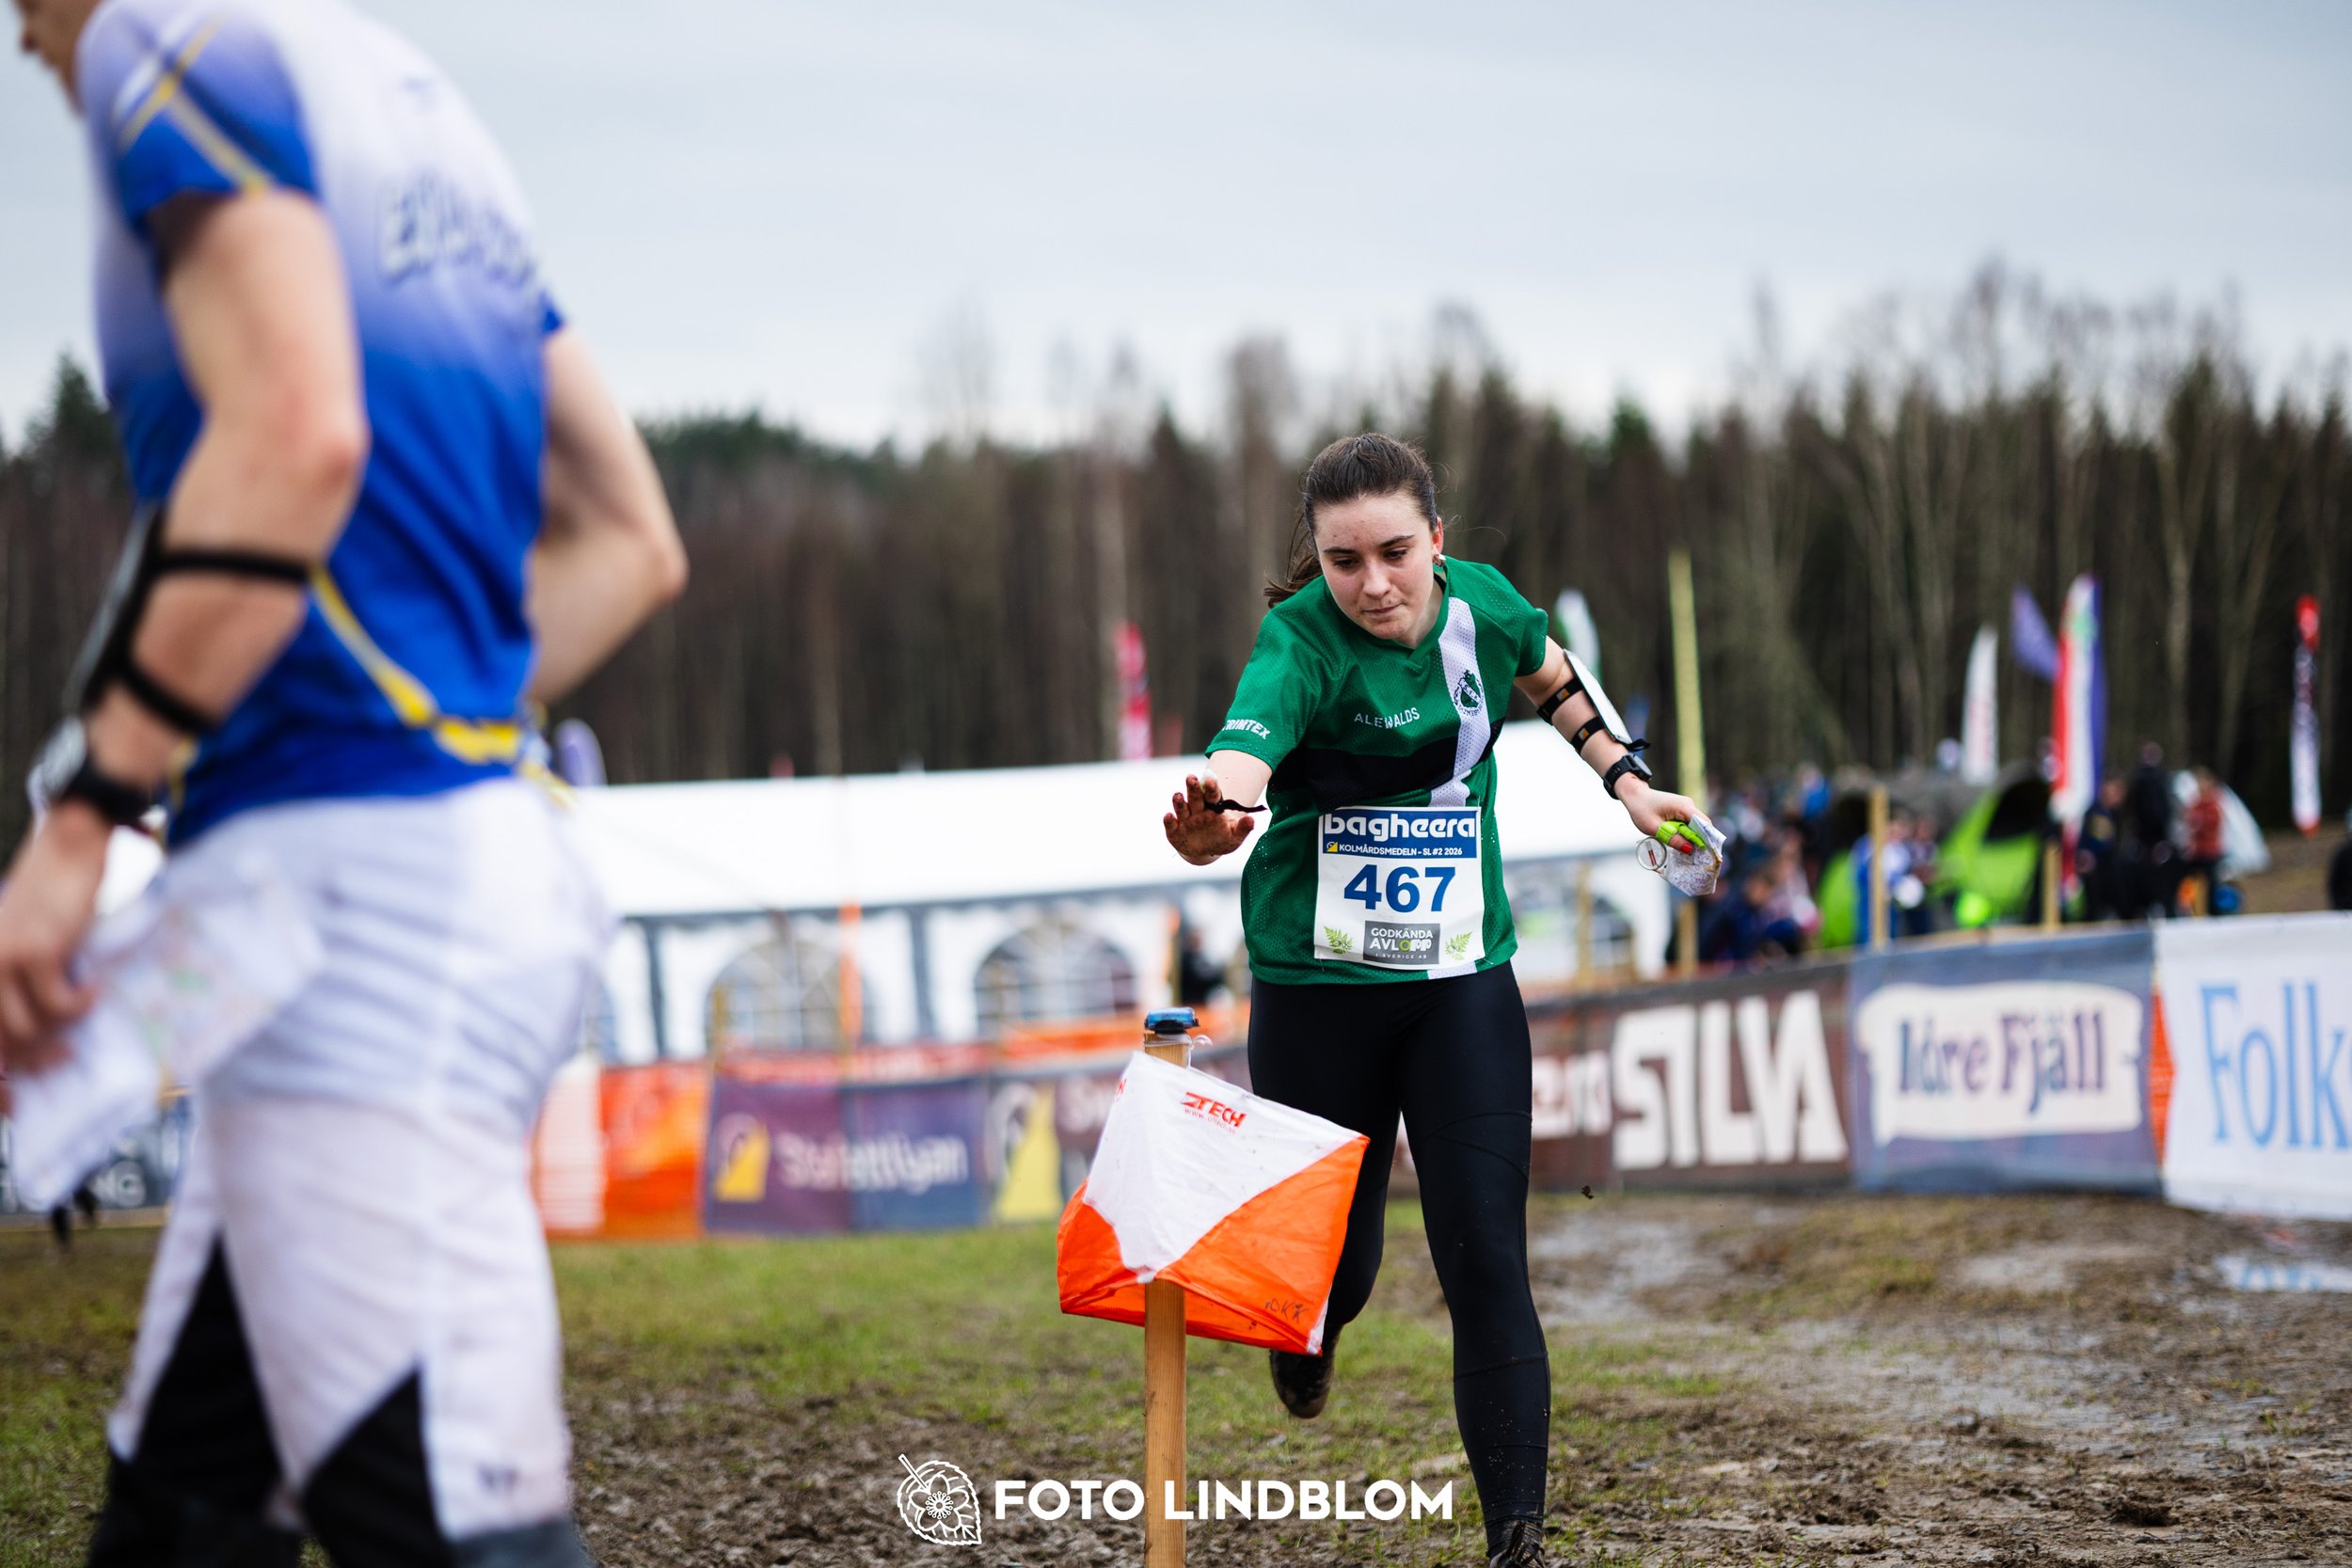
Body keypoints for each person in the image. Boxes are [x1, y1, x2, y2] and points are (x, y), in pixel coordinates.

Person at [3, 0, 685, 1562]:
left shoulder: (163, 44)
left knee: (455, 1527)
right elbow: (633, 542)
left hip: (357, 938)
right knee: (181, 1510)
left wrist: (86, 811)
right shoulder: (417, 99)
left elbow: (298, 435)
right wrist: (379, 718)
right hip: (431, 873)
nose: (24, 41)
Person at [1162, 434, 1707, 1568]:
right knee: (1339, 1269)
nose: (1372, 583)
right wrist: (1217, 817)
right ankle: (1306, 1333)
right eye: (1343, 560)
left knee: (1485, 1256)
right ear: (1316, 560)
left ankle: (1517, 1541)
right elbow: (1243, 763)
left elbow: (1550, 674)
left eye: (1394, 553)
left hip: (1460, 979)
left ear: (1437, 542)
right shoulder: (1297, 640)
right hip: (1318, 992)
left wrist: (1627, 780)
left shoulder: (1485, 606)